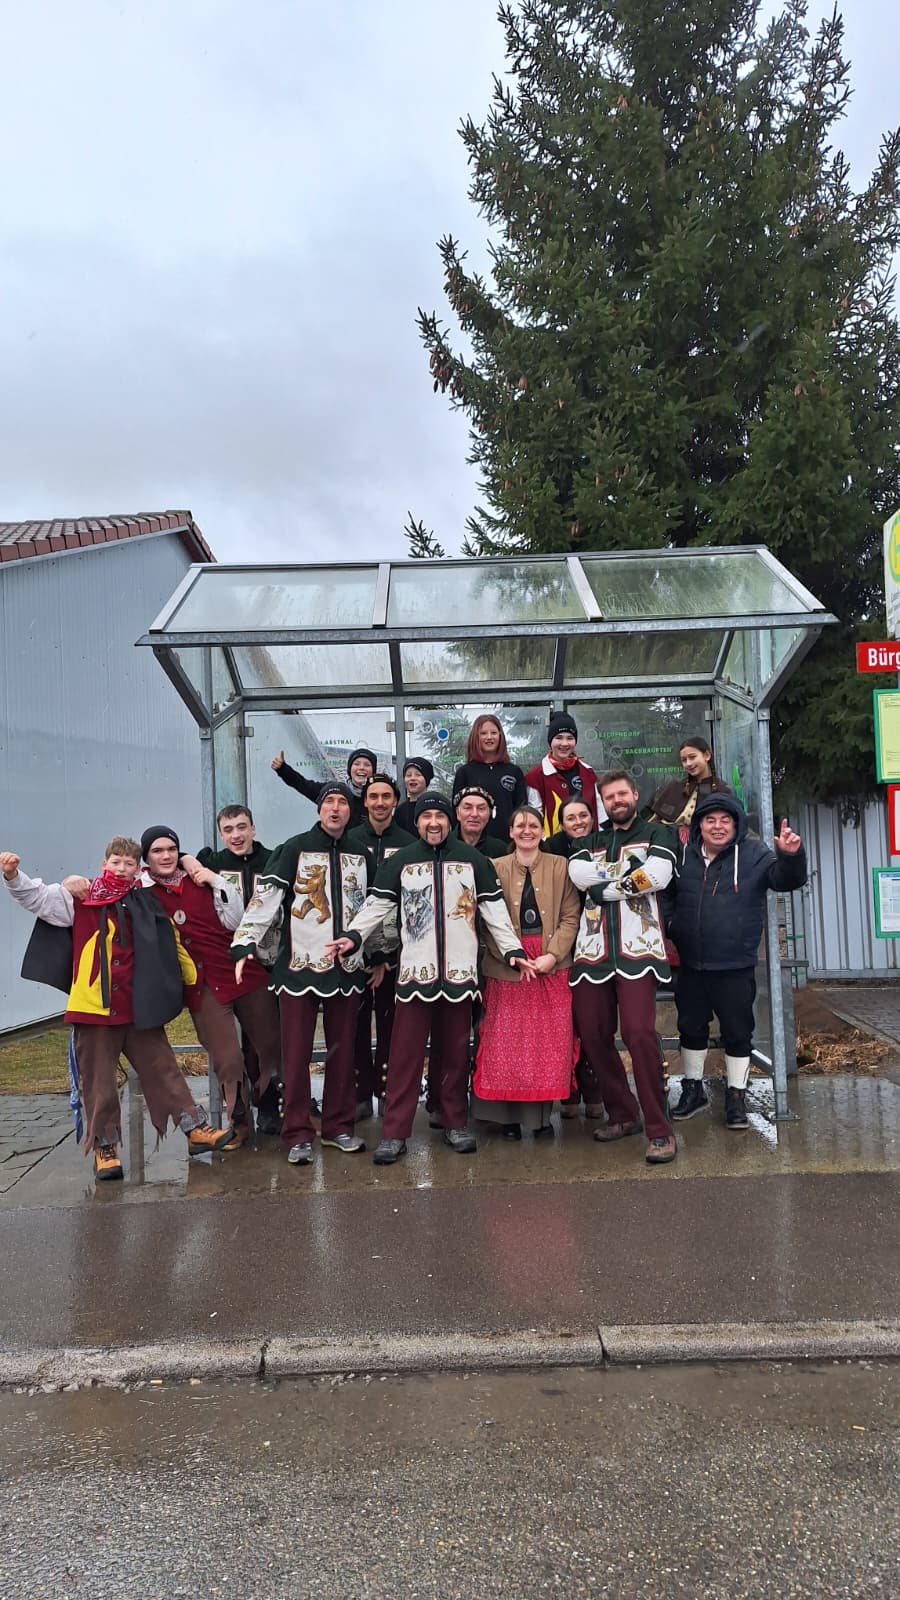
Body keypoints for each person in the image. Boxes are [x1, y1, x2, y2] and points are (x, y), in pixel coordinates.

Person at [1, 838, 230, 1180]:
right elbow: (38, 898)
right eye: (116, 862)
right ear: (104, 863)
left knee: (163, 1067)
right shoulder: (80, 897)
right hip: (93, 1008)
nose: (121, 869)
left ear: (137, 869)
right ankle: (105, 1148)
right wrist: (12, 876)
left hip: (138, 1007)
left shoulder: (146, 901)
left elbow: (170, 941)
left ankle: (194, 1129)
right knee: (99, 1083)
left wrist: (189, 982)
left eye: (129, 864)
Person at [326, 790, 530, 1165]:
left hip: (459, 974)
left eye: (439, 817)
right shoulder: (401, 861)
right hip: (415, 975)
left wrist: (512, 950)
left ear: (449, 821)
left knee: (455, 1053)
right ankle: (394, 1132)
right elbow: (376, 906)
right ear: (417, 822)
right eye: (426, 817)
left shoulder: (473, 861)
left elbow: (494, 911)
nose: (433, 823)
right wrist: (353, 936)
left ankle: (454, 1123)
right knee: (404, 1056)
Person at [230, 782, 371, 1165]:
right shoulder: (294, 849)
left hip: (346, 970)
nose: (335, 808)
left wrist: (377, 954)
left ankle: (338, 1127)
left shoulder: (361, 854)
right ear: (319, 808)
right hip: (298, 968)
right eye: (329, 802)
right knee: (295, 1055)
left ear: (350, 810)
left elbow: (372, 907)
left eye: (342, 802)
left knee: (343, 1052)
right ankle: (296, 1133)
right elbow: (266, 898)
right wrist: (244, 942)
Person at [668, 794, 807, 1130]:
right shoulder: (683, 855)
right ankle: (693, 1090)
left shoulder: (755, 854)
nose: (718, 827)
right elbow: (667, 895)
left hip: (734, 964)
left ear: (736, 824)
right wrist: (672, 925)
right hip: (691, 964)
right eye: (710, 820)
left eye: (725, 820)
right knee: (690, 1028)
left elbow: (786, 880)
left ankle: (736, 1097)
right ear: (699, 825)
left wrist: (791, 856)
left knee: (737, 1031)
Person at [140, 826, 283, 1145]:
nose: (166, 856)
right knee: (228, 1058)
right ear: (146, 857)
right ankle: (239, 1120)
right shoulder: (141, 890)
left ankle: (280, 1109)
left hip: (241, 971)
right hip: (201, 983)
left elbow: (235, 920)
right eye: (157, 851)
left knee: (272, 1045)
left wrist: (215, 880)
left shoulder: (200, 878)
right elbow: (111, 882)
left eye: (171, 849)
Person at [568, 770, 678, 1165]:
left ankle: (660, 1128)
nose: (616, 801)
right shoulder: (589, 840)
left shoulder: (657, 833)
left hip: (638, 951)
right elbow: (579, 875)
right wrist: (630, 874)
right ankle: (623, 1113)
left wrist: (606, 887)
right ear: (603, 803)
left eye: (622, 794)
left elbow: (658, 876)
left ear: (634, 794)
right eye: (609, 797)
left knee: (638, 1033)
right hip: (592, 953)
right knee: (593, 1036)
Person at [471, 805, 581, 1138]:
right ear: (510, 832)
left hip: (551, 965)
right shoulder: (493, 867)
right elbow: (486, 920)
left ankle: (540, 1119)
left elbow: (571, 917)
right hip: (507, 966)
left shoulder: (560, 866)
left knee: (545, 1045)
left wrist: (552, 956)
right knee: (505, 1043)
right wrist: (511, 956)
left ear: (543, 831)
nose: (527, 830)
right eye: (520, 825)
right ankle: (506, 1119)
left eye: (533, 825)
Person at [196, 804, 283, 1139]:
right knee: (235, 1048)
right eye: (228, 829)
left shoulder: (273, 860)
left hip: (269, 962)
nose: (236, 835)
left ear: (253, 828)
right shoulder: (212, 864)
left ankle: (270, 1106)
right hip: (229, 967)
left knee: (269, 1042)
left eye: (242, 827)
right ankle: (240, 1115)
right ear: (221, 834)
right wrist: (190, 861)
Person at [347, 774, 414, 1119]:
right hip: (354, 952)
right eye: (373, 796)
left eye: (386, 796)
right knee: (356, 1024)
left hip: (396, 953)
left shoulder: (409, 843)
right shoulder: (350, 841)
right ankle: (359, 1093)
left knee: (392, 1025)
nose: (380, 802)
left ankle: (388, 1091)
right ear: (365, 801)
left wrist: (387, 955)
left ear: (395, 801)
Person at [542, 796, 608, 1120]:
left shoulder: (605, 843)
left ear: (592, 818)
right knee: (563, 1022)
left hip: (598, 938)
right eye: (571, 817)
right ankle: (568, 1091)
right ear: (561, 823)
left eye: (583, 815)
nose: (578, 822)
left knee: (590, 1020)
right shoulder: (551, 849)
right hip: (559, 942)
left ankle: (594, 1090)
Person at [525, 712, 603, 835]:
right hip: (553, 844)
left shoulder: (588, 772)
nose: (565, 743)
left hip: (589, 842)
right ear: (550, 741)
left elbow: (600, 812)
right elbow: (535, 815)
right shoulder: (535, 776)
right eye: (559, 738)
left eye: (570, 738)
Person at [452, 715, 527, 842]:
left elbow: (521, 810)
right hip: (474, 843)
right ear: (476, 737)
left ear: (500, 736)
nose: (489, 737)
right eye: (483, 733)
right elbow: (456, 813)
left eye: (493, 733)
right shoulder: (465, 772)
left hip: (507, 843)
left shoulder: (514, 772)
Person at [646, 736, 731, 843]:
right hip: (667, 841)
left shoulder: (721, 790)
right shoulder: (675, 786)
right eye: (684, 760)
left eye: (692, 757)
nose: (688, 763)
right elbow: (652, 819)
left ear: (707, 755)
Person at [271, 747, 377, 829]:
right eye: (356, 764)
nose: (361, 768)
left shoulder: (379, 796)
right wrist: (283, 769)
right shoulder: (335, 790)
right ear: (350, 769)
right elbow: (303, 784)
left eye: (367, 765)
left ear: (373, 771)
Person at [454, 786, 510, 859]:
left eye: (481, 808)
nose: (474, 814)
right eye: (468, 808)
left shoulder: (500, 850)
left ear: (489, 814)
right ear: (458, 813)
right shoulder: (444, 845)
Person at [394, 756, 434, 835]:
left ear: (427, 779)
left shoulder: (434, 805)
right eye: (408, 775)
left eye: (418, 775)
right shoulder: (400, 811)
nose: (412, 778)